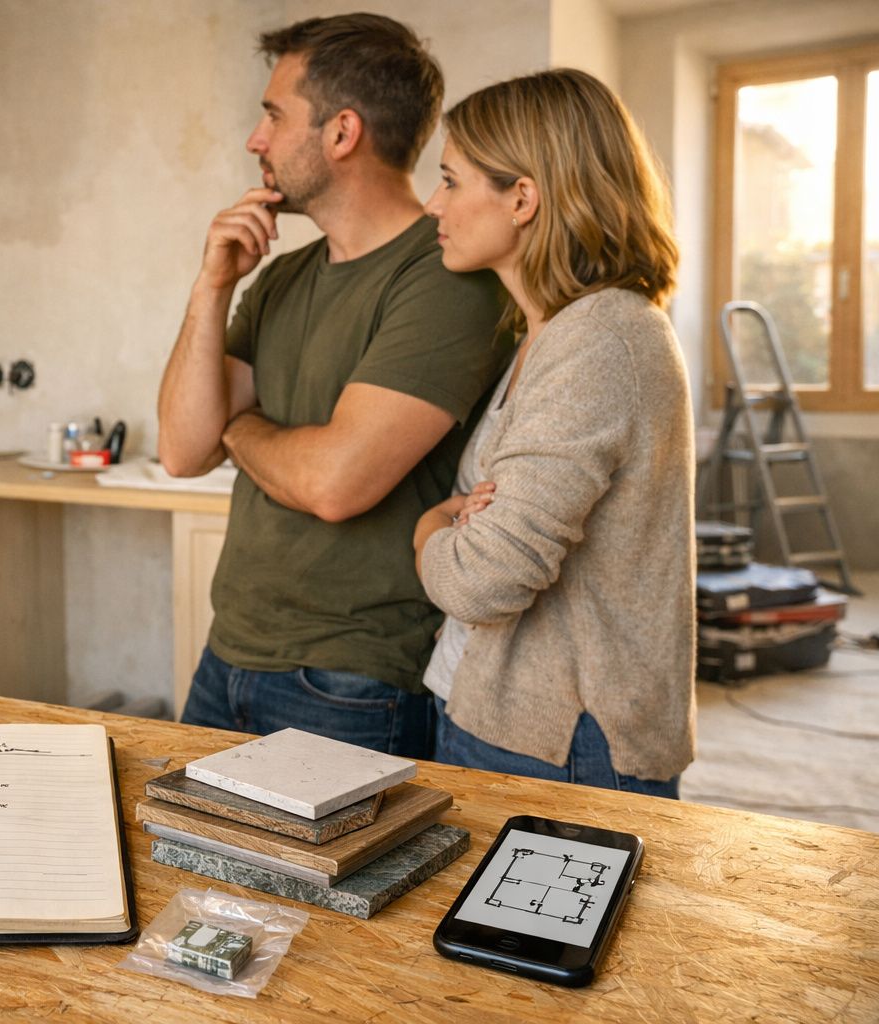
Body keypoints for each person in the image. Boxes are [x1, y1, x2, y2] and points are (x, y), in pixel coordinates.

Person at [158, 14, 507, 757]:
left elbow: (335, 484)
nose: (256, 139)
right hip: (228, 654)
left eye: (273, 115)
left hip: (352, 682)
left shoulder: (446, 278)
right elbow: (184, 450)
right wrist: (210, 286)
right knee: (183, 875)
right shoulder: (279, 276)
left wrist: (241, 426)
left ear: (342, 132)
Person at [413, 68, 695, 795]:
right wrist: (457, 522)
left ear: (523, 197)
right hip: (498, 717)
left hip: (559, 741)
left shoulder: (603, 341)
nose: (431, 203)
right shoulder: (551, 333)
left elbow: (482, 581)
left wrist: (427, 530)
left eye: (449, 180)